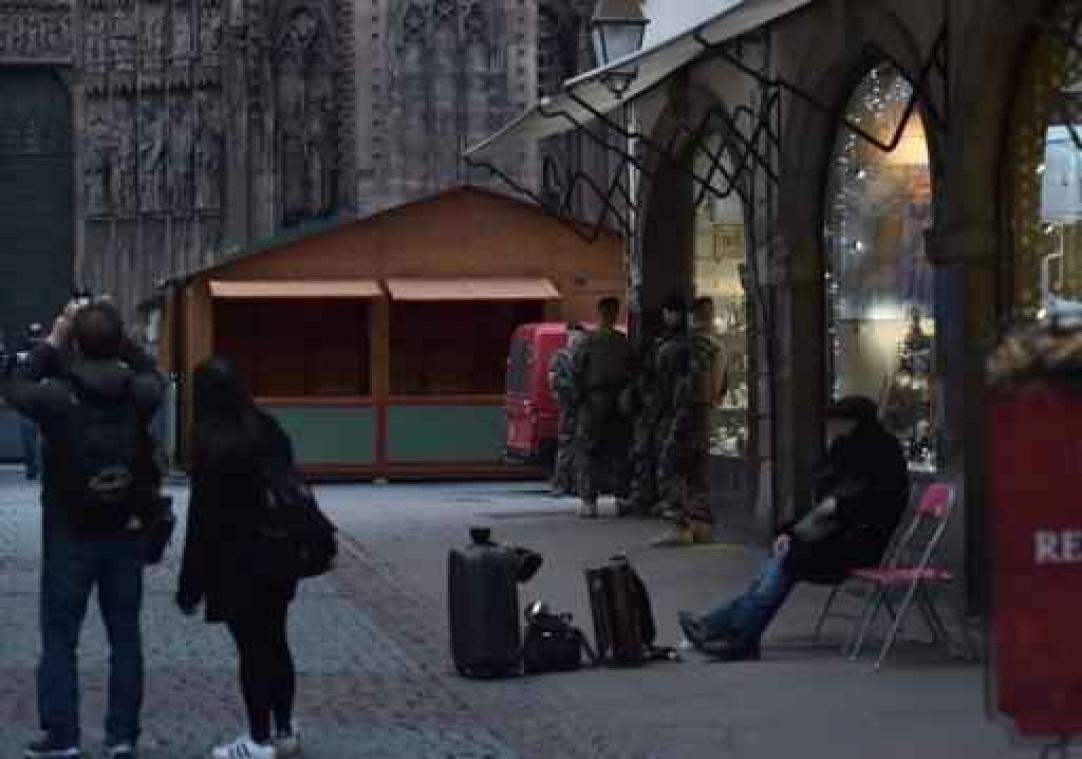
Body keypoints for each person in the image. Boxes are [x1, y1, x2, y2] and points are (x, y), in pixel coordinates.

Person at [6, 301, 164, 759]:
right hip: (125, 528)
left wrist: (54, 340)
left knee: (59, 637)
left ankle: (62, 735)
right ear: (118, 342)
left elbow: (15, 387)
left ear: (76, 342)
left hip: (68, 530)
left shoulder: (58, 396)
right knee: (125, 637)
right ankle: (122, 736)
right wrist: (123, 342)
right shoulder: (139, 393)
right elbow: (153, 374)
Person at [677, 396, 909, 660]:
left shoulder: (882, 454)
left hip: (860, 544)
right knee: (779, 562)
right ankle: (723, 630)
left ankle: (732, 634)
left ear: (853, 422)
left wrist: (813, 523)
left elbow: (857, 506)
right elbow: (822, 506)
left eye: (837, 422)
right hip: (833, 537)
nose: (832, 428)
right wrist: (792, 533)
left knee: (785, 562)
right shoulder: (845, 449)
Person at [177, 357, 302, 759]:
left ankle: (258, 738)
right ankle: (284, 728)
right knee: (277, 641)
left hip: (235, 560)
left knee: (252, 649)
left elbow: (202, 520)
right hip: (279, 553)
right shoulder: (268, 429)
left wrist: (190, 584)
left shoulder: (212, 442)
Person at [652, 297, 729, 547]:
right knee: (698, 471)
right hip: (707, 413)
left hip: (683, 414)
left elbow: (662, 387)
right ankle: (702, 525)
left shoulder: (676, 347)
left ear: (691, 316)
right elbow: (723, 386)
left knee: (671, 467)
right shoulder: (719, 347)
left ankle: (680, 525)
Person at [572, 297, 632, 518]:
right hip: (616, 401)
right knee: (619, 450)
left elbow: (576, 371)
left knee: (590, 451)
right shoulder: (622, 341)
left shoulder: (589, 341)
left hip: (595, 401)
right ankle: (621, 498)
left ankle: (590, 501)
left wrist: (577, 400)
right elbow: (634, 370)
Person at [626, 296, 685, 517]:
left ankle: (665, 500)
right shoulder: (665, 341)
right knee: (649, 452)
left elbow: (656, 376)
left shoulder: (673, 344)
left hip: (665, 407)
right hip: (657, 406)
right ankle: (649, 498)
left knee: (662, 453)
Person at [548, 323, 586, 497]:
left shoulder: (584, 357)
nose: (575, 340)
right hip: (568, 407)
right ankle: (560, 484)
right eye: (573, 337)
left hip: (582, 408)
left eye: (578, 337)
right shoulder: (560, 358)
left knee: (581, 447)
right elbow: (554, 381)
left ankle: (577, 484)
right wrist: (572, 389)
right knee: (565, 446)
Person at [16, 323, 46, 480]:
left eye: (38, 335)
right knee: (29, 436)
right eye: (33, 335)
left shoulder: (48, 354)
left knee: (42, 436)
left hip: (42, 399)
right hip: (27, 399)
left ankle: (40, 467)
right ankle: (32, 467)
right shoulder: (20, 355)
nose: (35, 339)